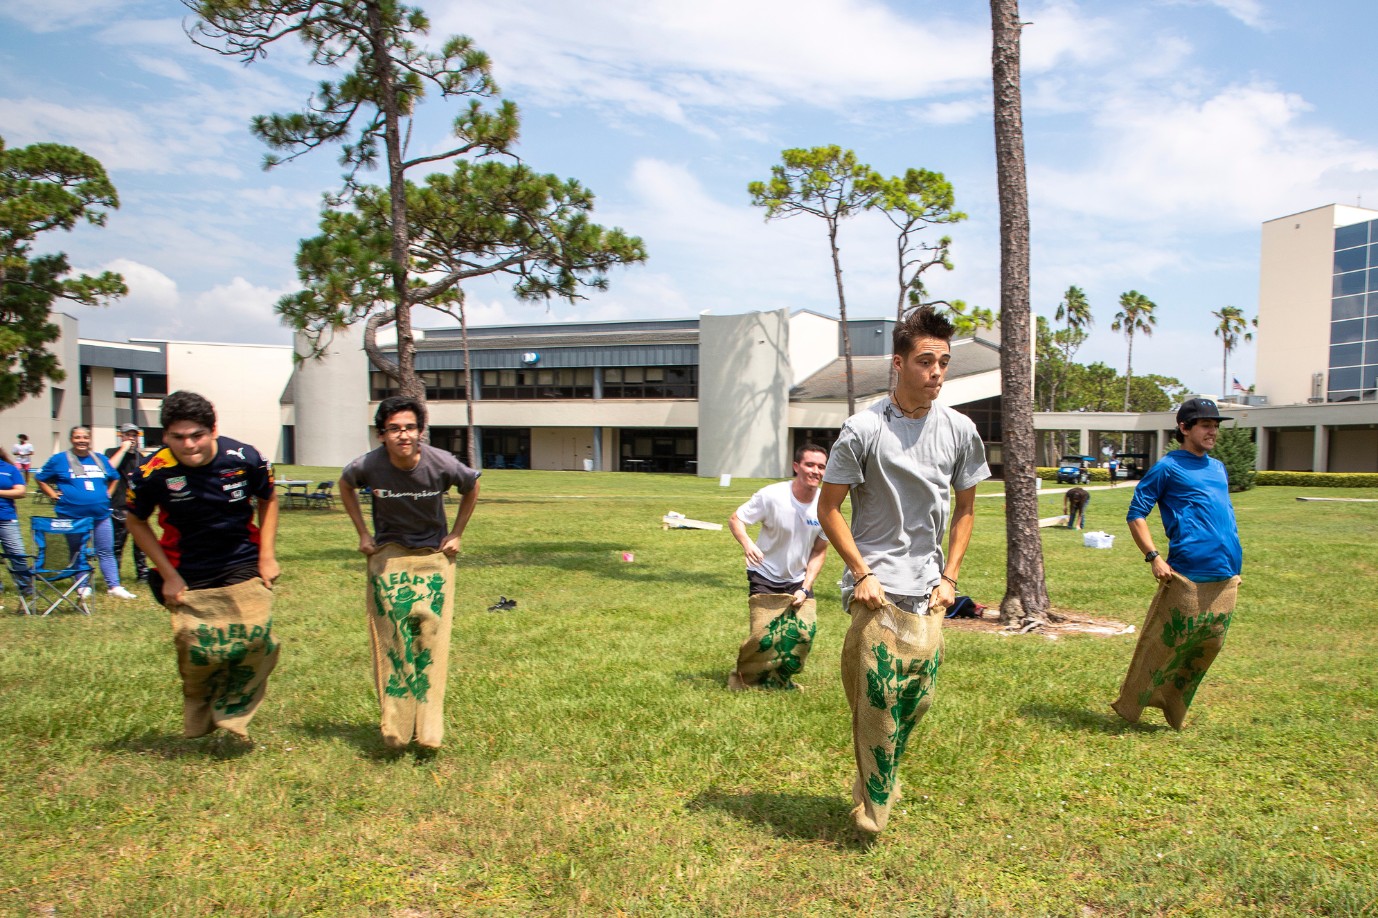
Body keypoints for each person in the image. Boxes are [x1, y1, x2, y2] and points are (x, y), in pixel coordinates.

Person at [818, 305, 990, 837]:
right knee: (877, 696)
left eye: (943, 361)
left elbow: (965, 510)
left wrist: (950, 578)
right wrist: (861, 572)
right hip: (875, 589)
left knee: (915, 698)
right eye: (925, 361)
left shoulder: (961, 430)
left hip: (929, 590)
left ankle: (879, 775)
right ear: (899, 363)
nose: (936, 371)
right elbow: (829, 509)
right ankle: (872, 809)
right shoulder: (863, 429)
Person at [124, 391, 281, 743]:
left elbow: (268, 499)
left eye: (197, 435)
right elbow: (136, 522)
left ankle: (233, 713)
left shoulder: (245, 458)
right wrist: (168, 574)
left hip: (241, 560)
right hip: (186, 567)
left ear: (213, 430)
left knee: (257, 640)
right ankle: (199, 708)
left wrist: (267, 556)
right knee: (202, 649)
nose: (189, 445)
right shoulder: (151, 472)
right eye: (178, 437)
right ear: (165, 436)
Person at [339, 395, 481, 751]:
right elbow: (345, 484)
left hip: (432, 556)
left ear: (420, 432)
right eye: (394, 429)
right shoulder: (368, 465)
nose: (403, 435)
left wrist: (457, 533)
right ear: (382, 434)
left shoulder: (441, 463)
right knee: (394, 638)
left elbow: (472, 485)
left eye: (410, 428)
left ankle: (429, 727)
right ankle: (396, 726)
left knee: (430, 636)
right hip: (389, 556)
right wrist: (363, 533)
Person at [1113, 398, 1243, 731]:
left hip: (1226, 574)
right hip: (1187, 572)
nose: (1212, 430)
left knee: (1206, 647)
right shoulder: (1169, 467)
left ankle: (1172, 705)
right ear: (1184, 429)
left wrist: (1236, 564)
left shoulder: (1218, 467)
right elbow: (1136, 513)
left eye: (1215, 425)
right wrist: (1153, 556)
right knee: (1165, 644)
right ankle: (1132, 704)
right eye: (1205, 425)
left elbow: (1224, 514)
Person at [726, 443, 830, 691]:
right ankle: (743, 681)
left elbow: (819, 550)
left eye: (821, 466)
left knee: (804, 635)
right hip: (765, 573)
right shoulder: (772, 495)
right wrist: (748, 543)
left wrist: (805, 587)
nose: (815, 471)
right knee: (764, 637)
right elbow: (736, 519)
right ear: (796, 467)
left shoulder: (825, 505)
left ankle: (781, 681)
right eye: (809, 464)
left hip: (798, 578)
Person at [34, 426, 137, 600]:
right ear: (71, 439)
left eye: (84, 437)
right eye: (77, 437)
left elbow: (114, 477)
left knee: (105, 550)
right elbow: (40, 478)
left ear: (89, 439)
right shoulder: (59, 460)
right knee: (77, 550)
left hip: (100, 514)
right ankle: (82, 586)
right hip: (71, 515)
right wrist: (52, 495)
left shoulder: (100, 459)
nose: (81, 440)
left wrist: (108, 494)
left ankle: (114, 586)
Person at [106, 423, 150, 584]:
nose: (131, 438)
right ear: (121, 436)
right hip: (118, 504)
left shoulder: (141, 457)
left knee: (140, 544)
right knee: (117, 544)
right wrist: (123, 449)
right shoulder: (112, 453)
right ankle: (114, 576)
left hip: (136, 506)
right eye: (127, 435)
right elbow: (109, 469)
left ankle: (142, 575)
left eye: (134, 435)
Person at [0, 445, 35, 612]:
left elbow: (21, 491)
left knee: (17, 554)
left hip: (6, 519)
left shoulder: (9, 469)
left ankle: (26, 588)